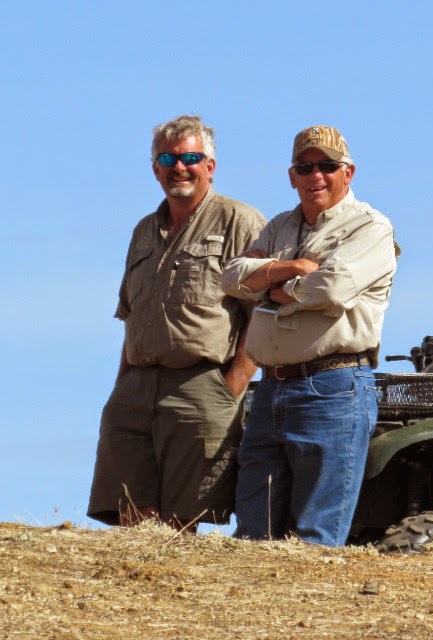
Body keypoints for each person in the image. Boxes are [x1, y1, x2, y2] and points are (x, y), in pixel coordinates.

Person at [221, 124, 400, 546]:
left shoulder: (370, 227)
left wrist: (269, 284)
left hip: (333, 388)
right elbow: (231, 275)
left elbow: (333, 287)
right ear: (292, 176)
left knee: (315, 541)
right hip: (271, 388)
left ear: (348, 173)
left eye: (327, 166)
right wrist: (295, 269)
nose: (315, 175)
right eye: (305, 167)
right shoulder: (279, 227)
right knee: (252, 536)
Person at [88, 115, 265, 530]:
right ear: (155, 168)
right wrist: (122, 387)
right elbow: (132, 315)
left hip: (201, 384)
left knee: (181, 523)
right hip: (136, 386)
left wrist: (231, 387)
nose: (179, 167)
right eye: (167, 159)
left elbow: (262, 313)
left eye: (190, 158)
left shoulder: (240, 221)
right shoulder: (143, 230)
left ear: (210, 166)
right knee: (130, 512)